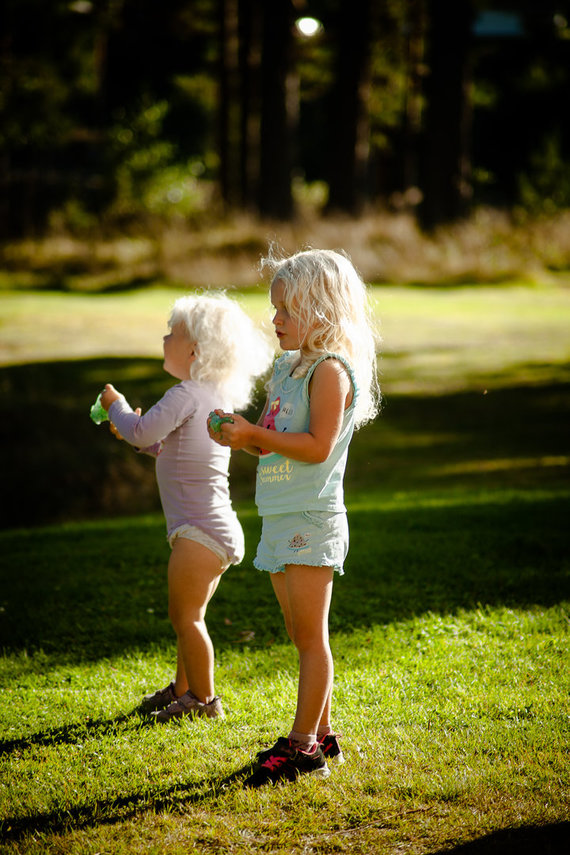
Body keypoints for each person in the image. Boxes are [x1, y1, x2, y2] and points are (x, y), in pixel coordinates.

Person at [209, 248, 380, 785]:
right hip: (280, 515)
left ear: (321, 309)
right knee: (297, 630)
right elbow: (273, 442)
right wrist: (240, 434)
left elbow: (316, 446)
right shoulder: (289, 367)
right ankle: (323, 733)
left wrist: (257, 436)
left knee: (311, 638)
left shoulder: (330, 372)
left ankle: (303, 747)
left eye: (285, 308)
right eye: (273, 308)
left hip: (312, 515)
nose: (274, 319)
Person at [99, 292, 272, 722]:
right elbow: (167, 448)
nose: (163, 337)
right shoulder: (210, 398)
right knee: (188, 616)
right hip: (214, 529)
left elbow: (139, 431)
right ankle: (184, 688)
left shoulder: (184, 394)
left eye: (171, 332)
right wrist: (140, 437)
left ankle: (203, 701)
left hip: (200, 530)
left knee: (185, 617)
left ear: (194, 349)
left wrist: (114, 408)